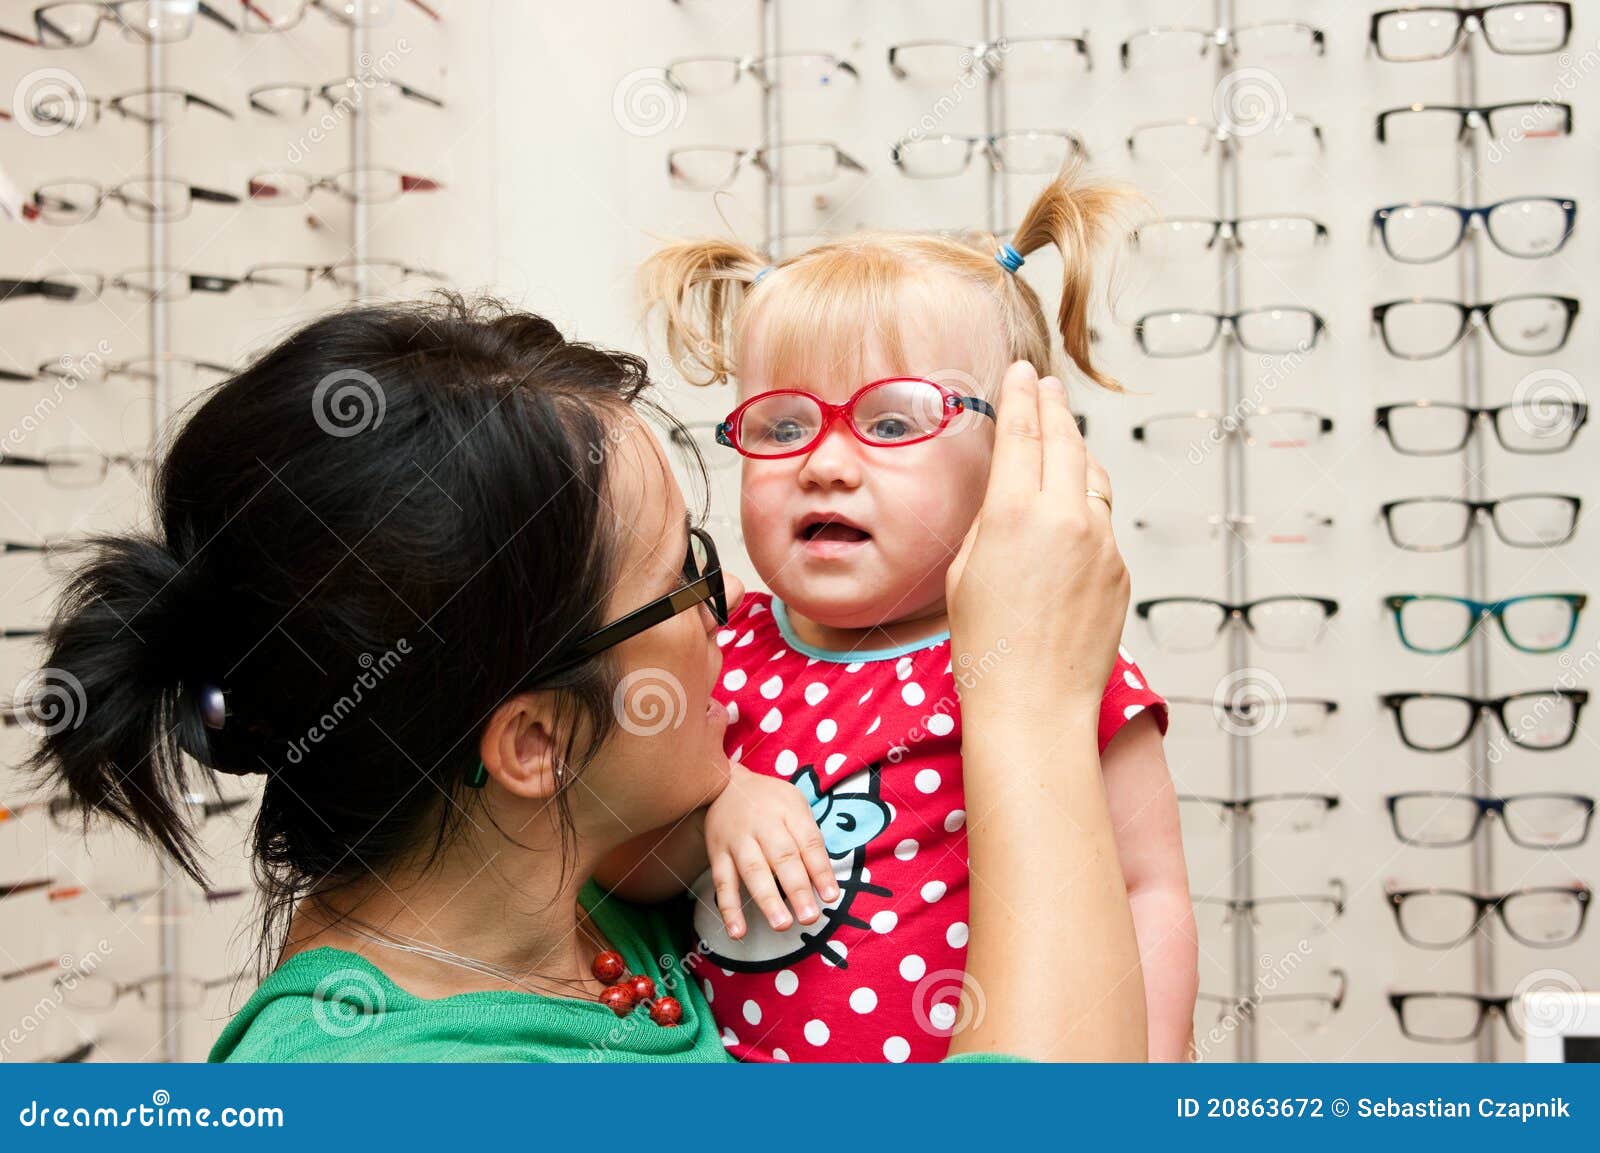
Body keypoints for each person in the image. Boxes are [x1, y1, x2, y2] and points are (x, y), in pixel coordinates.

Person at [27, 294, 1147, 1061]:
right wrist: (1033, 705)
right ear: (535, 743)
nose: (734, 622)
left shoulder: (617, 901)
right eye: (685, 579)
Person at [597, 161, 1196, 1061]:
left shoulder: (1059, 655)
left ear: (1015, 453)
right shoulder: (720, 647)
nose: (826, 463)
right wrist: (712, 808)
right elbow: (612, 859)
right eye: (783, 424)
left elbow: (1147, 892)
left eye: (890, 423)